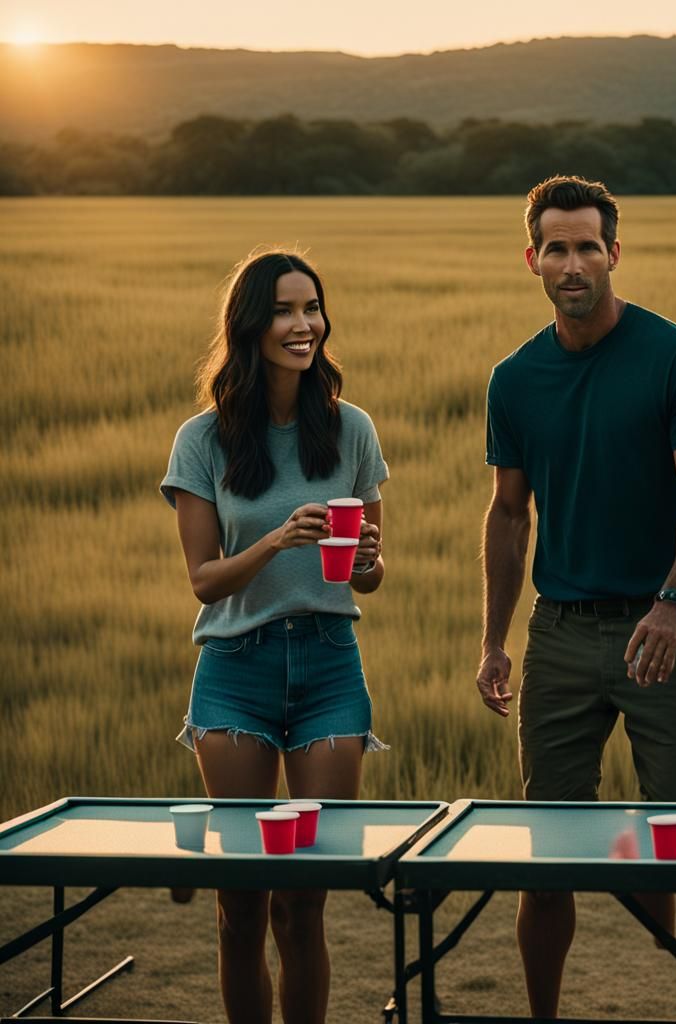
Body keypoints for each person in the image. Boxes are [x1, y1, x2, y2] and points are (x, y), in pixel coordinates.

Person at [477, 175, 676, 1018]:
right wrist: (494, 639)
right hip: (560, 631)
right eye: (556, 246)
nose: (574, 261)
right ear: (533, 260)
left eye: (589, 245)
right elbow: (509, 515)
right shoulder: (515, 380)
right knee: (546, 848)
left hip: (661, 625)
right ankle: (543, 1011)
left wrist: (672, 604)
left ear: (614, 254)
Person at [160, 249, 388, 1024]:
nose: (304, 326)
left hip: (329, 666)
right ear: (251, 326)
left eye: (313, 308)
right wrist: (277, 541)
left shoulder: (349, 428)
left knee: (304, 902)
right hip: (235, 669)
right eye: (286, 311)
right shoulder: (203, 439)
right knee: (243, 904)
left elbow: (368, 578)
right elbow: (204, 579)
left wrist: (366, 561)